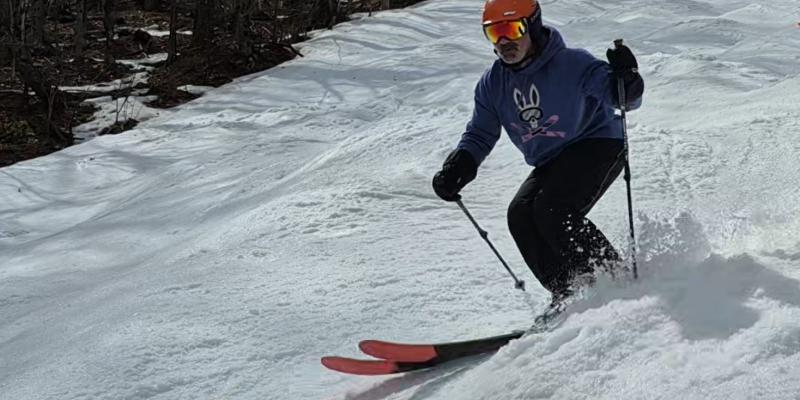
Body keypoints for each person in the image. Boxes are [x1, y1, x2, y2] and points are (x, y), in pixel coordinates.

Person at [432, 0, 644, 305]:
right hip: (550, 160)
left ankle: (614, 280)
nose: (504, 42)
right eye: (494, 34)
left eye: (511, 29)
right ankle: (569, 294)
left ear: (531, 26)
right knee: (520, 215)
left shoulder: (572, 63)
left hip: (597, 144)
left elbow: (623, 99)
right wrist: (460, 164)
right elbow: (480, 133)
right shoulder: (493, 84)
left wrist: (628, 80)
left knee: (551, 210)